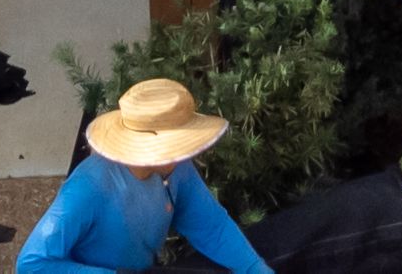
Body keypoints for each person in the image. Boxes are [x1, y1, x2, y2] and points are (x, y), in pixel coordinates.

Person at [15, 80, 275, 274]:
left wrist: (255, 269)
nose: (183, 153)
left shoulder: (178, 168)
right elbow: (31, 264)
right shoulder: (89, 186)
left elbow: (212, 226)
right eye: (176, 145)